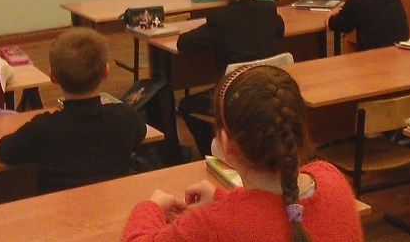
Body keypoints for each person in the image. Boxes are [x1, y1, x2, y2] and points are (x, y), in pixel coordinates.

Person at [122, 65, 364, 242]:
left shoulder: (212, 224)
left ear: (225, 143)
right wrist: (223, 198)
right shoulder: (331, 178)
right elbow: (271, 209)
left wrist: (151, 207)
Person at [0, 27, 146, 193]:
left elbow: (2, 151)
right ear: (105, 72)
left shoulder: (42, 128)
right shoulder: (124, 117)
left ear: (52, 76)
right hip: (115, 205)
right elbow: (141, 132)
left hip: (60, 209)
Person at [178, 0, 284, 155]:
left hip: (234, 98)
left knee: (186, 105)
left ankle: (212, 153)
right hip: (268, 91)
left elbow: (184, 44)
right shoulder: (268, 9)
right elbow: (280, 29)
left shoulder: (219, 19)